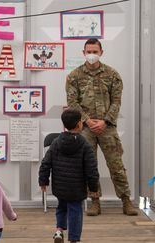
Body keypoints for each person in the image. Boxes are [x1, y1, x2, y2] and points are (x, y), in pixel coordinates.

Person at [66, 38, 138, 216]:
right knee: (89, 166)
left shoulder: (112, 74)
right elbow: (72, 102)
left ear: (101, 52)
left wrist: (105, 121)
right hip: (85, 128)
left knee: (116, 165)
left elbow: (117, 101)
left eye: (95, 51)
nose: (92, 54)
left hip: (107, 127)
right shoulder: (74, 76)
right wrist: (88, 120)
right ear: (83, 53)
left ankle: (126, 200)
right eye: (88, 51)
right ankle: (95, 201)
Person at [38, 108, 99, 243]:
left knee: (61, 207)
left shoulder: (56, 142)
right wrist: (93, 187)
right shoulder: (85, 145)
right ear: (79, 124)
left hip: (60, 186)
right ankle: (73, 239)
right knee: (75, 210)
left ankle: (59, 231)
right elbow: (91, 169)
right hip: (76, 188)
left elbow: (46, 163)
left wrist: (43, 181)